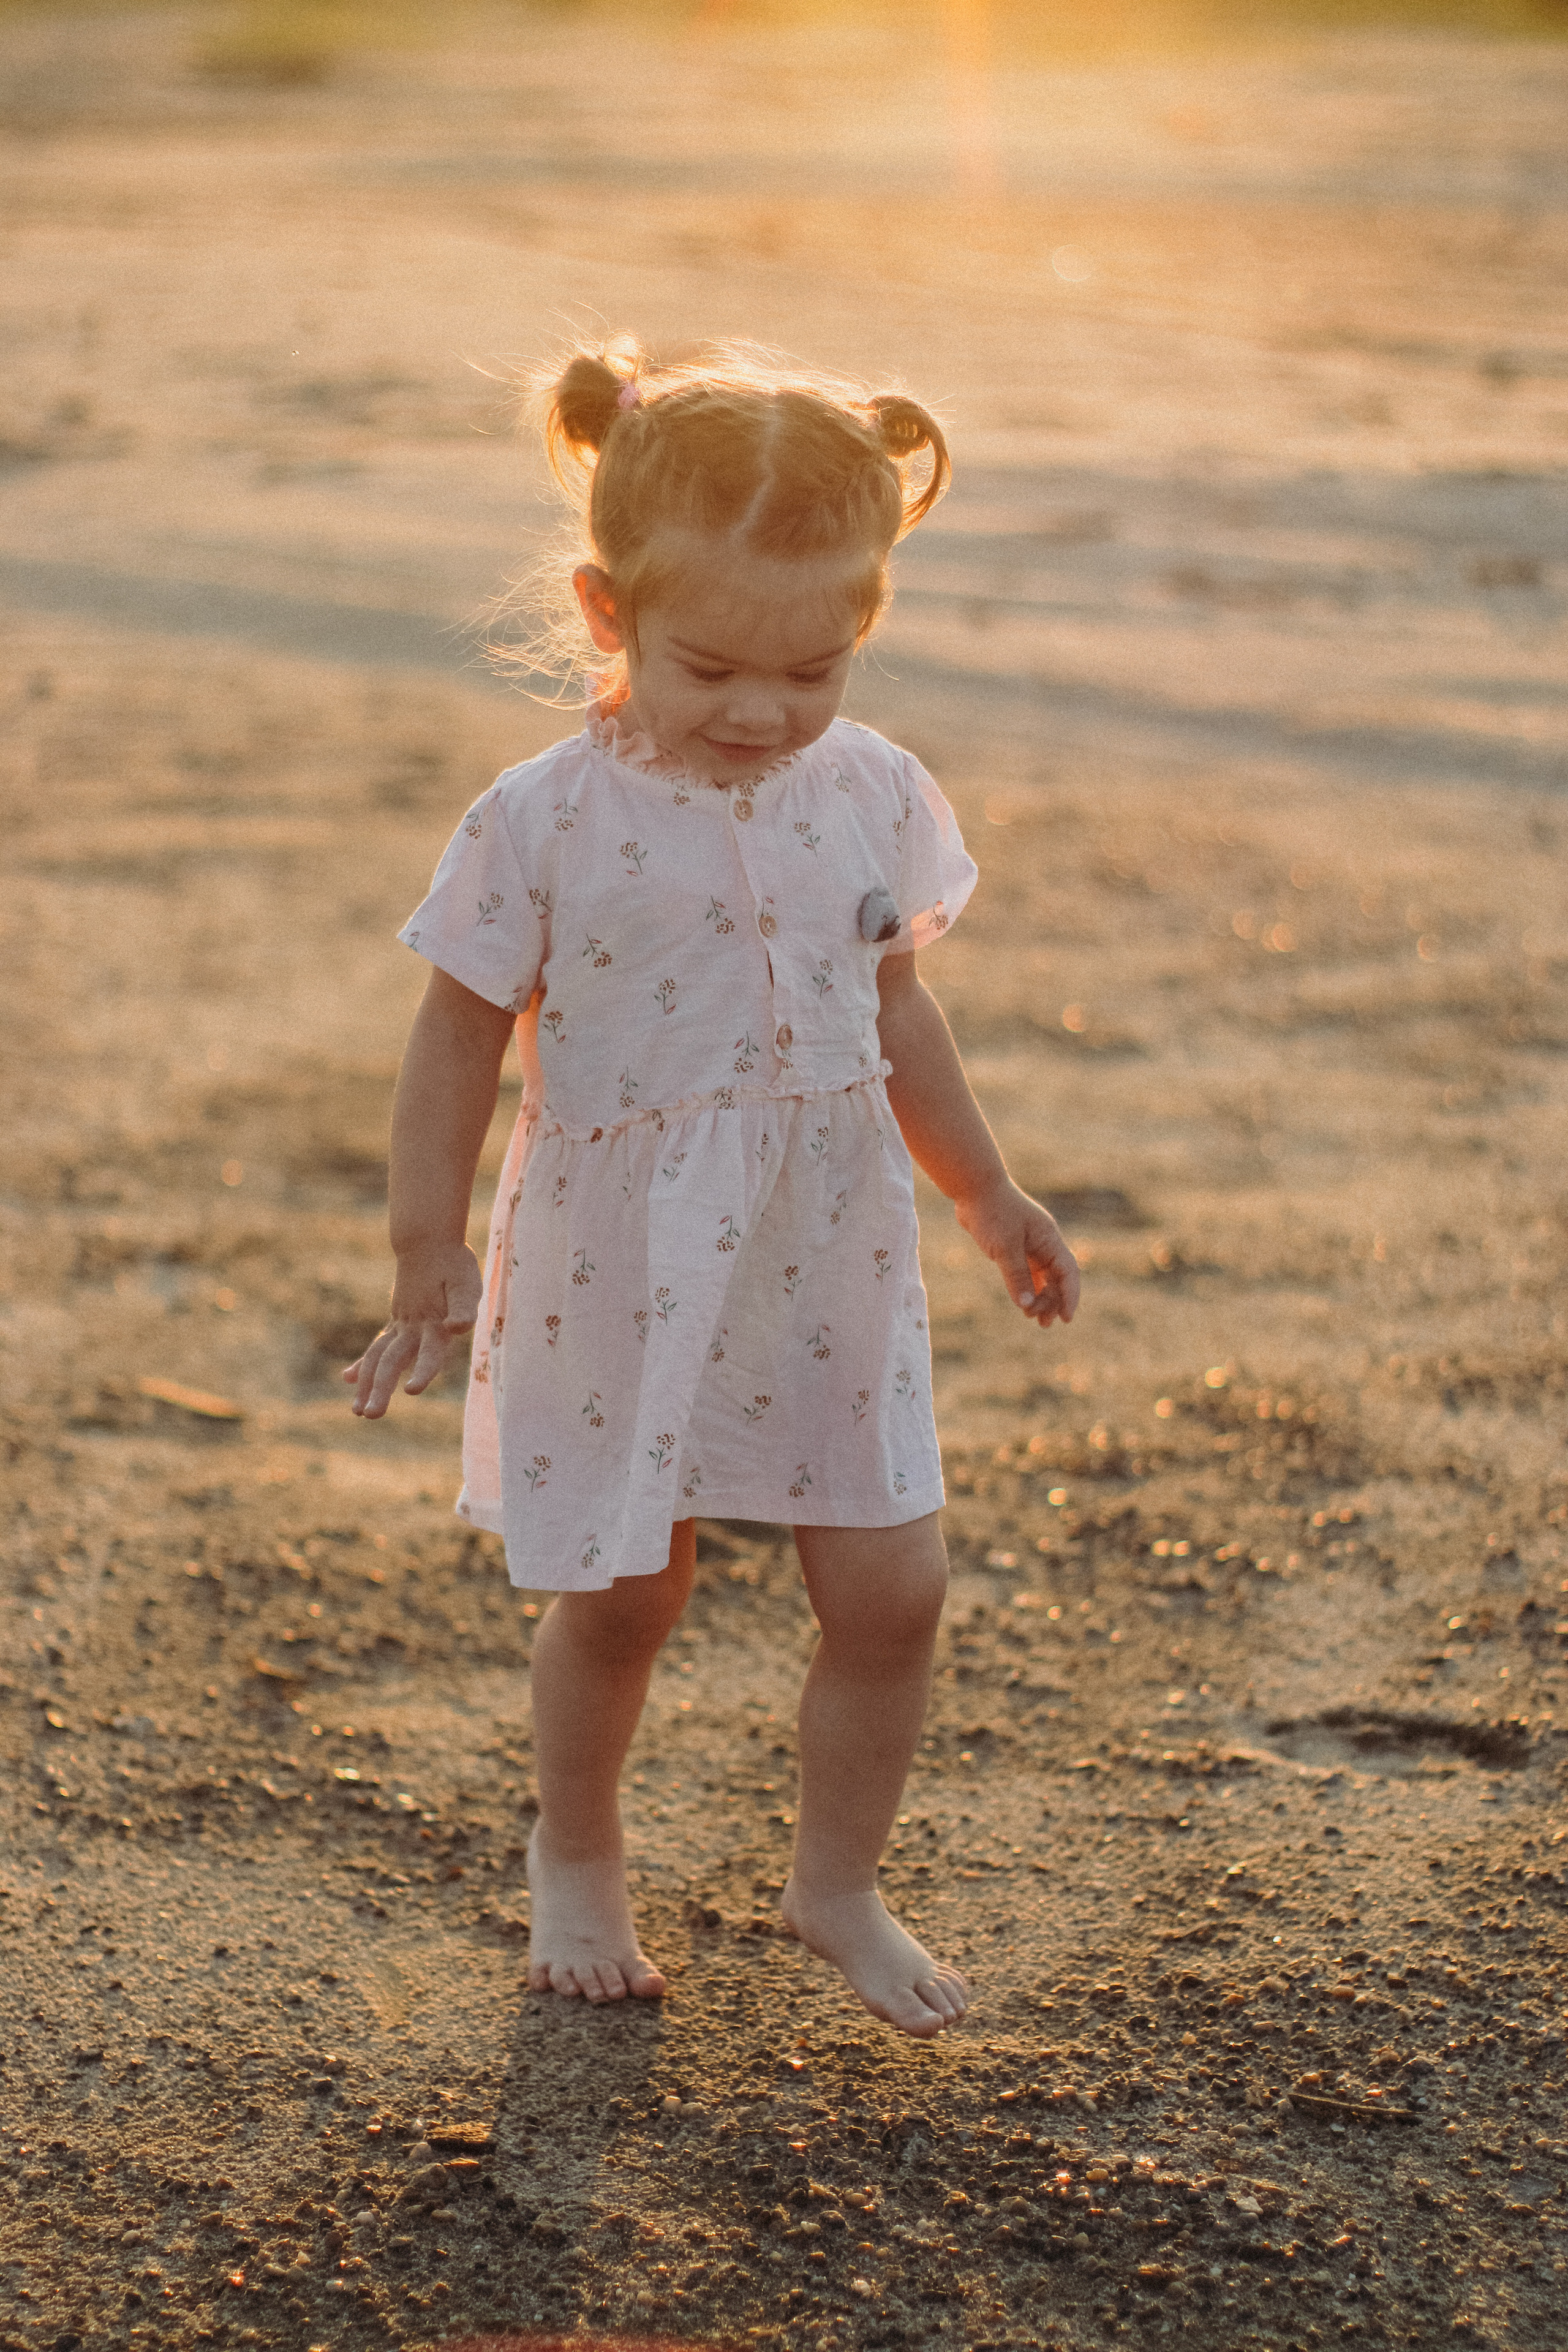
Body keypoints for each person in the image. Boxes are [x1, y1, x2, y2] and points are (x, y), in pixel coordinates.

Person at [347, 341, 1080, 2039]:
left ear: (866, 626)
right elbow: (456, 1036)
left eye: (812, 668)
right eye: (713, 667)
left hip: (828, 1249)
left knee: (895, 1589)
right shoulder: (540, 820)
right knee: (626, 1593)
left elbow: (895, 1011)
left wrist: (987, 1193)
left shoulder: (872, 790)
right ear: (609, 613)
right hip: (620, 1255)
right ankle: (579, 1853)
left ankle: (836, 1884)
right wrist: (425, 1243)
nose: (763, 711)